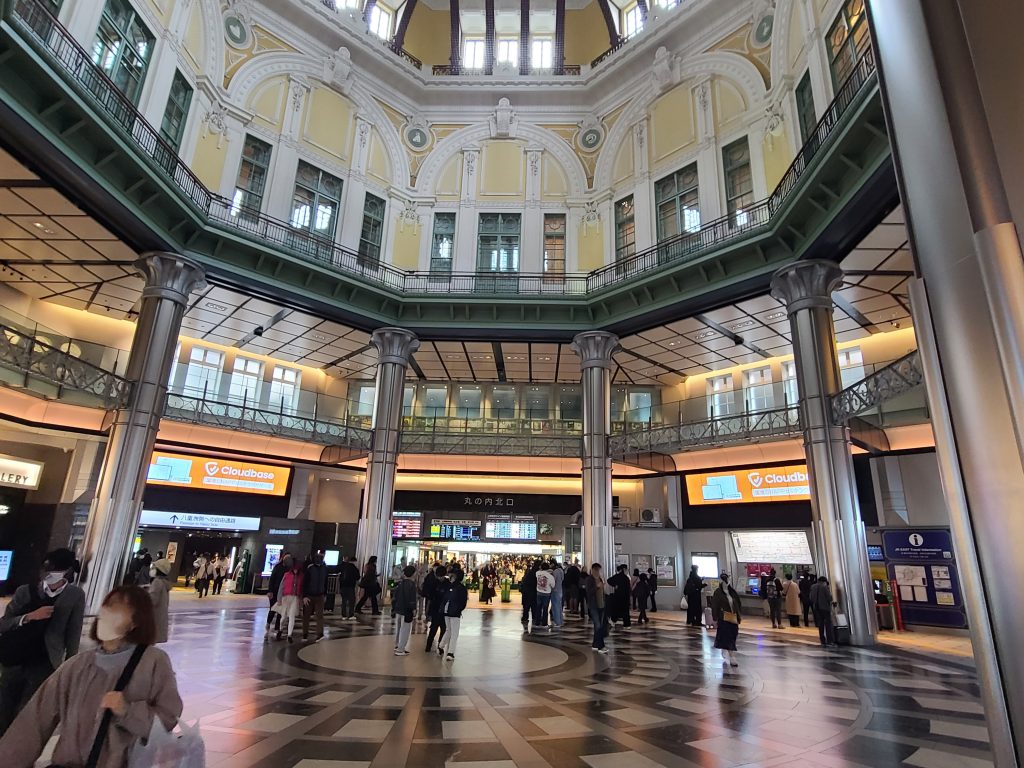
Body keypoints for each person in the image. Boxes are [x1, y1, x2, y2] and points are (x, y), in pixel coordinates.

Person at [0, 585, 182, 768]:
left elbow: (168, 717)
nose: (106, 613)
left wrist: (127, 711)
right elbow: (35, 720)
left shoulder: (153, 662)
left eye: (117, 608)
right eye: (107, 605)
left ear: (135, 621)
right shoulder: (78, 665)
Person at [0, 548, 85, 735]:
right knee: (3, 706)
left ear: (67, 571)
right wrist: (29, 617)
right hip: (16, 657)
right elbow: (4, 624)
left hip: (45, 662)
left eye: (54, 570)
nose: (48, 574)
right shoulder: (25, 591)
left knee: (27, 710)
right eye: (46, 569)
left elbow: (74, 632)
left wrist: (70, 667)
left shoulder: (75, 595)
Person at [711, 572, 742, 667]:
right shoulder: (718, 593)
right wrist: (715, 618)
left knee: (733, 635)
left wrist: (738, 616)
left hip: (733, 618)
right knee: (727, 636)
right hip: (723, 618)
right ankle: (732, 656)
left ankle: (726, 650)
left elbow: (738, 604)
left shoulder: (732, 592)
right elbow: (715, 606)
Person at [437, 570, 468, 661]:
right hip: (455, 612)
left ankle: (441, 646)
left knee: (448, 630)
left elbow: (444, 598)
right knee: (454, 633)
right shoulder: (462, 588)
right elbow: (463, 602)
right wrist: (459, 609)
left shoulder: (449, 586)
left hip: (446, 611)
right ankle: (450, 653)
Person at [301, 551, 328, 641]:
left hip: (320, 595)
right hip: (309, 595)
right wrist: (304, 596)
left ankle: (320, 634)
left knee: (320, 615)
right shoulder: (310, 568)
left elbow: (326, 582)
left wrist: (325, 594)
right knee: (306, 615)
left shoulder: (324, 568)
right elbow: (304, 583)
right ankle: (305, 634)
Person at [277, 557, 304, 643]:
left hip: (295, 598)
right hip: (286, 597)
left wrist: (301, 599)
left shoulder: (301, 576)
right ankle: (280, 629)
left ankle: (289, 635)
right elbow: (281, 587)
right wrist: (279, 598)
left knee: (292, 617)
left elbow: (302, 588)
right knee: (283, 617)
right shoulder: (286, 575)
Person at [393, 565, 418, 656]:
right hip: (407, 610)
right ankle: (401, 649)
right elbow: (412, 599)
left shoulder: (401, 583)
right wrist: (414, 609)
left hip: (399, 609)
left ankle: (397, 645)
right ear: (412, 574)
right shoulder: (412, 585)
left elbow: (395, 596)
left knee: (399, 628)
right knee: (405, 629)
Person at [423, 564, 449, 652]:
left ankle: (440, 647)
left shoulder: (448, 584)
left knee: (443, 629)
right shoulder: (434, 583)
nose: (440, 578)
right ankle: (428, 646)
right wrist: (428, 612)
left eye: (441, 576)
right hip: (435, 610)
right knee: (433, 629)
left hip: (444, 611)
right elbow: (430, 599)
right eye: (438, 576)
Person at [584, 564, 608, 653]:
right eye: (597, 570)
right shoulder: (589, 579)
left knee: (599, 626)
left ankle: (595, 644)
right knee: (598, 625)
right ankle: (601, 646)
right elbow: (589, 592)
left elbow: (602, 592)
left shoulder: (600, 579)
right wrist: (597, 587)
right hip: (594, 605)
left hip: (601, 604)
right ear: (594, 570)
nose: (599, 572)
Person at [265, 552, 290, 637]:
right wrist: (270, 590)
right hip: (275, 591)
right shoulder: (277, 567)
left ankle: (277, 627)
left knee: (281, 611)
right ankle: (268, 623)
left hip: (283, 592)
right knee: (273, 609)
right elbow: (272, 579)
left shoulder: (289, 569)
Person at [148, 558, 172, 644]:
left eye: (154, 567)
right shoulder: (165, 583)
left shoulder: (157, 582)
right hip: (160, 618)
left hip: (153, 618)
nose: (152, 569)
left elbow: (151, 600)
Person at [809, 575, 837, 647]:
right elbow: (829, 598)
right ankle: (830, 641)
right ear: (824, 581)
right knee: (828, 624)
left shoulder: (813, 587)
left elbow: (811, 598)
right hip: (825, 608)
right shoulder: (824, 587)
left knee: (820, 624)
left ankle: (822, 640)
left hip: (817, 608)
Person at [608, 564, 632, 629]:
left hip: (618, 596)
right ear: (624, 569)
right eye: (626, 569)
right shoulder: (626, 578)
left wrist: (615, 585)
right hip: (625, 597)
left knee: (616, 609)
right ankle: (627, 624)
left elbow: (609, 580)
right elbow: (628, 589)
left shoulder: (617, 576)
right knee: (625, 611)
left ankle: (613, 621)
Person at [337, 556, 360, 620]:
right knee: (351, 601)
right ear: (354, 561)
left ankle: (343, 615)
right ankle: (351, 615)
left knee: (344, 601)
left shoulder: (344, 567)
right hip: (350, 586)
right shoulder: (354, 568)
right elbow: (358, 577)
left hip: (343, 586)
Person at [534, 561, 553, 630]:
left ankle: (537, 623)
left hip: (539, 592)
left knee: (538, 608)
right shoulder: (550, 576)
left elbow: (538, 572)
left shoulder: (537, 573)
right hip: (547, 594)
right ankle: (544, 624)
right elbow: (553, 585)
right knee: (545, 609)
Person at [520, 560, 538, 630]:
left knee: (526, 607)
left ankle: (525, 618)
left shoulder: (529, 573)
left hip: (526, 592)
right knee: (533, 606)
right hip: (532, 592)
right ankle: (534, 617)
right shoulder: (535, 573)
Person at [550, 560, 564, 628]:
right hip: (560, 590)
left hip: (555, 591)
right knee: (559, 607)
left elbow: (553, 581)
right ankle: (561, 621)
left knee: (555, 607)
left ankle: (557, 622)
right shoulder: (561, 570)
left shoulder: (555, 572)